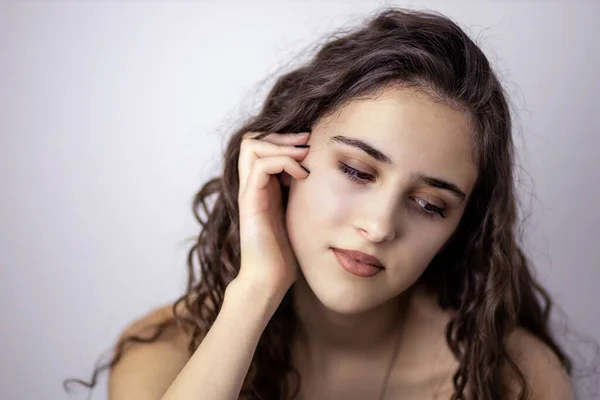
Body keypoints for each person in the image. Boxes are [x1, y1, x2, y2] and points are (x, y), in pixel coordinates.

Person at [64, 7, 574, 400]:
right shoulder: (165, 355)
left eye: (430, 205)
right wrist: (256, 289)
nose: (377, 226)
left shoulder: (514, 381)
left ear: (463, 227)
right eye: (356, 171)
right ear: (285, 155)